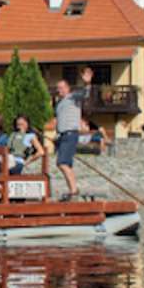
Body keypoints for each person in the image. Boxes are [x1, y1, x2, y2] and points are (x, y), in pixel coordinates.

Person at [51, 68, 94, 201]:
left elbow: (86, 93)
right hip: (62, 136)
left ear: (68, 88)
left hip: (70, 134)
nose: (60, 90)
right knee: (66, 164)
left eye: (62, 87)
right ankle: (73, 190)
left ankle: (74, 190)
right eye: (58, 88)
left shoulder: (73, 97)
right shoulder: (59, 103)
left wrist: (87, 83)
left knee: (62, 163)